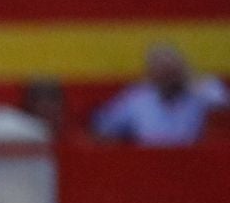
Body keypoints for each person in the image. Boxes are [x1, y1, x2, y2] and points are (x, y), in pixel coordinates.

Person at [90, 44, 228, 144]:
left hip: (198, 164)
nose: (168, 76)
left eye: (172, 70)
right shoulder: (137, 97)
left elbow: (223, 107)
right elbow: (103, 127)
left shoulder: (203, 89)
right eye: (162, 71)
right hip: (149, 164)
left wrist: (194, 86)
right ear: (151, 74)